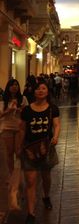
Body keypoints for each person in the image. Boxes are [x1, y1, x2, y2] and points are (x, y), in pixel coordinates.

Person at [19, 80, 60, 224]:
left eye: (43, 88)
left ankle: (46, 195)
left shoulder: (52, 108)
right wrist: (20, 146)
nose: (40, 91)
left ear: (47, 92)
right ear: (34, 92)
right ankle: (31, 213)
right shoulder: (27, 110)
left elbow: (56, 124)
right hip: (30, 148)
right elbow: (23, 129)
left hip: (46, 148)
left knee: (46, 176)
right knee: (30, 181)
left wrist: (55, 137)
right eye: (37, 89)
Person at [0, 79, 28, 210]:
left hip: (19, 128)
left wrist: (21, 110)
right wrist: (9, 110)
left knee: (19, 154)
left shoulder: (23, 99)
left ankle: (19, 180)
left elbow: (27, 114)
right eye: (12, 85)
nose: (15, 87)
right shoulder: (2, 100)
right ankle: (13, 182)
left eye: (17, 85)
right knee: (9, 156)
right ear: (8, 87)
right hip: (6, 129)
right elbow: (1, 116)